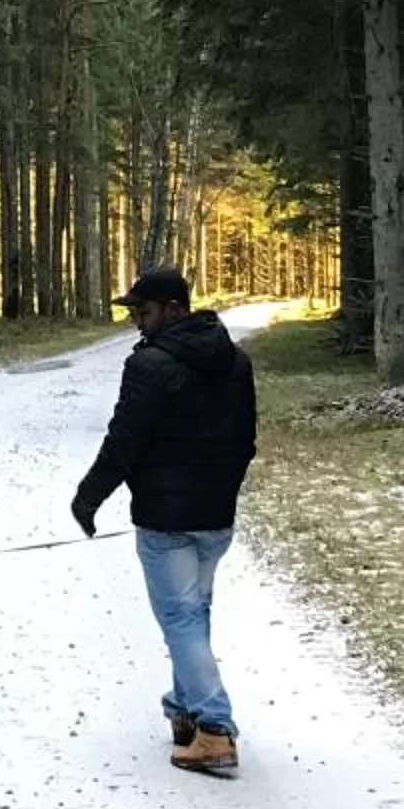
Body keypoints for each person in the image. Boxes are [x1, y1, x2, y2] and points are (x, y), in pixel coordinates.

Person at [71, 269, 259, 777]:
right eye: (133, 313)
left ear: (175, 309)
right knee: (192, 615)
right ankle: (185, 713)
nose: (136, 322)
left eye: (144, 312)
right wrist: (223, 490)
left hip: (166, 520)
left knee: (180, 619)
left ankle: (215, 731)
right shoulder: (235, 361)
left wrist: (88, 498)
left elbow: (123, 442)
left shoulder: (150, 366)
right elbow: (246, 443)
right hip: (215, 516)